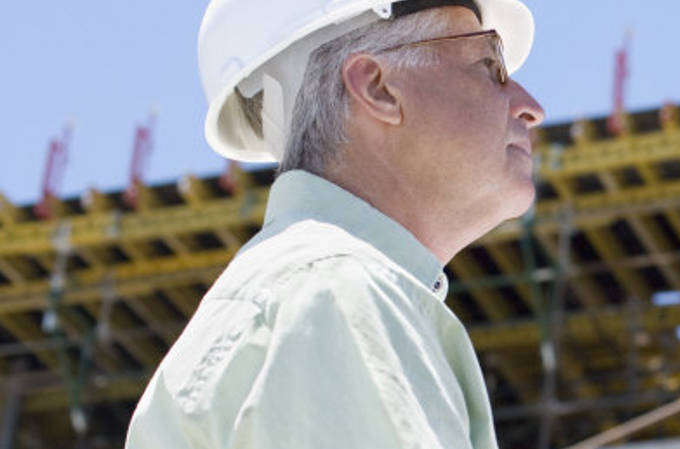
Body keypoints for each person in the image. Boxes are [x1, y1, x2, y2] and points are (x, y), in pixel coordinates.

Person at [127, 0, 544, 447]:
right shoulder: (337, 295)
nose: (530, 107)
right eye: (488, 63)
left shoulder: (312, 292)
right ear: (378, 88)